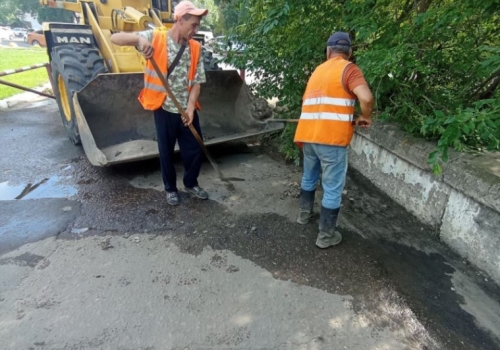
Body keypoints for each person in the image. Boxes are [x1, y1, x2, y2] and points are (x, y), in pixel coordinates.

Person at [110, 1, 209, 206]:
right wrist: (138, 39)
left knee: (194, 150)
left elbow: (197, 82)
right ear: (180, 20)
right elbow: (114, 38)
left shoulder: (195, 47)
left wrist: (190, 108)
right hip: (164, 107)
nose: (196, 29)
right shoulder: (155, 37)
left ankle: (191, 184)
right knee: (166, 151)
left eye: (198, 25)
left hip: (186, 110)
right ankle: (170, 189)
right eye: (194, 25)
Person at [294, 32, 374, 248]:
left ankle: (303, 215)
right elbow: (366, 97)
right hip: (331, 140)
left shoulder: (317, 71)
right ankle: (326, 236)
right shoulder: (349, 69)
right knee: (332, 188)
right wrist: (365, 116)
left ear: (328, 51)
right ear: (349, 52)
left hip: (308, 137)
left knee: (309, 176)